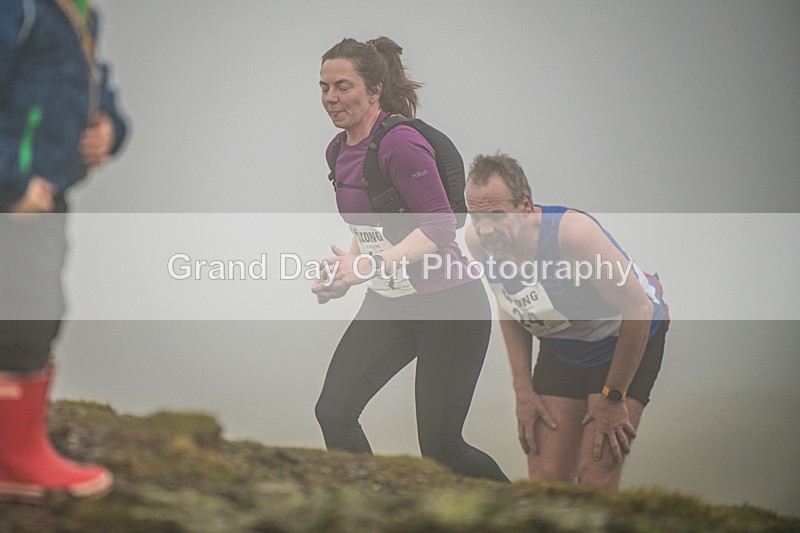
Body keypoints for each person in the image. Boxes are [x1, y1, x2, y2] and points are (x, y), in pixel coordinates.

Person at [311, 37, 508, 482]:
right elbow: (374, 224)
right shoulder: (337, 150)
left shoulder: (399, 143)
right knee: (334, 411)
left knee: (443, 450)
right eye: (324, 87)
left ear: (375, 89)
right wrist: (346, 271)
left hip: (449, 306)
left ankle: (528, 517)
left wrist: (370, 267)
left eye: (343, 86)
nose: (330, 98)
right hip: (390, 304)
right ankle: (373, 513)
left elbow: (440, 226)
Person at [464, 153, 668, 489]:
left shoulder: (573, 235)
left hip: (623, 343)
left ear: (525, 205)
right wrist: (523, 389)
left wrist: (614, 398)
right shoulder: (480, 243)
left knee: (594, 475)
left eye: (497, 215)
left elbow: (639, 309)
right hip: (563, 349)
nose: (485, 229)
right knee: (546, 476)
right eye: (475, 217)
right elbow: (509, 304)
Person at [0, 0, 128, 501]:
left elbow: (100, 91)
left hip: (45, 196)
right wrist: (10, 182)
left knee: (37, 315)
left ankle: (16, 447)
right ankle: (13, 458)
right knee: (24, 322)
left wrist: (110, 132)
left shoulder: (81, 14)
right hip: (17, 197)